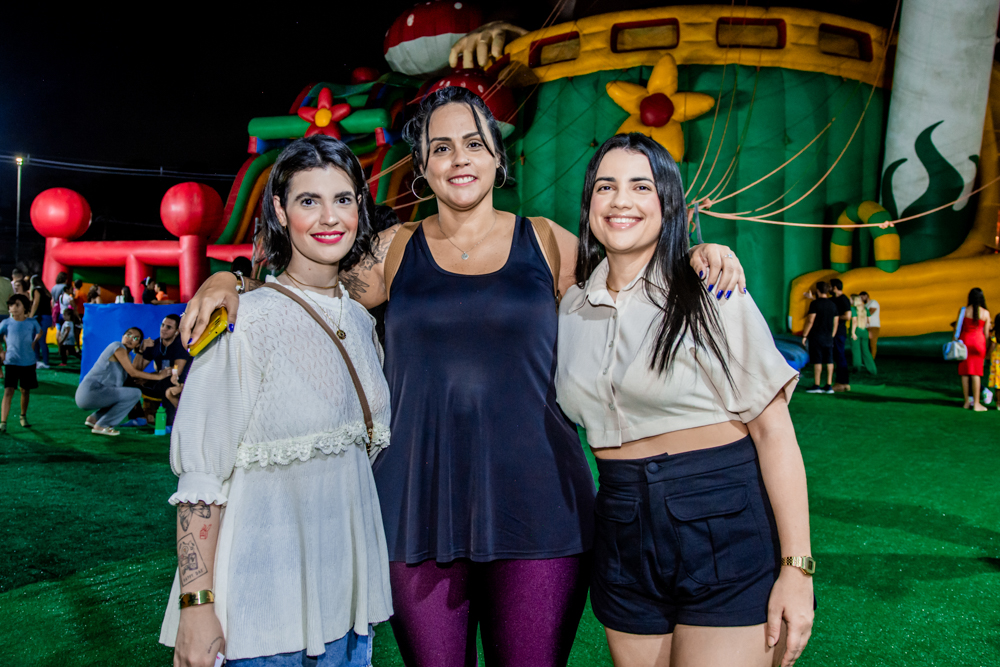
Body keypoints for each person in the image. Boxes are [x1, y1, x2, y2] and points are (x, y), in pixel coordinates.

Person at [179, 87, 746, 667]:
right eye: (442, 147)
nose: (459, 159)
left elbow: (634, 272)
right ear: (422, 167)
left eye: (474, 144)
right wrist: (232, 281)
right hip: (414, 510)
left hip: (541, 509)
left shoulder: (548, 242)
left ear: (499, 158)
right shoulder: (392, 249)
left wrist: (698, 256)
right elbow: (307, 287)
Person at [556, 133, 812, 667]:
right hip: (621, 522)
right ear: (589, 202)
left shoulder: (710, 289)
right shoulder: (571, 308)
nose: (620, 200)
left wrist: (797, 568)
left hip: (722, 516)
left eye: (640, 186)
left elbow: (774, 431)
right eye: (605, 186)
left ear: (668, 202)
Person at [160, 135, 392, 666]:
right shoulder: (243, 321)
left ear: (360, 207)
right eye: (309, 200)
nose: (329, 217)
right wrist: (197, 607)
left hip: (349, 608)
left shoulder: (361, 323)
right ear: (282, 213)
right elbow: (201, 478)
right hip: (260, 615)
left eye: (342, 199)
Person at [75, 327, 170, 435]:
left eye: (135, 338)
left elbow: (133, 375)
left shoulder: (128, 356)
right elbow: (133, 372)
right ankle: (103, 425)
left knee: (125, 392)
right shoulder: (117, 347)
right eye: (128, 335)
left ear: (138, 344)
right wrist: (159, 376)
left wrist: (141, 351)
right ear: (122, 337)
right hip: (90, 392)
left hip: (97, 393)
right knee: (135, 393)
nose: (130, 339)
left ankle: (94, 419)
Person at [131, 314, 192, 426]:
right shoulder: (154, 344)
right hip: (159, 381)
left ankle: (169, 423)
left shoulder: (181, 345)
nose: (163, 329)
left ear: (177, 331)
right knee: (131, 381)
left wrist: (157, 376)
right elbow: (136, 370)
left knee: (167, 383)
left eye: (168, 327)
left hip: (178, 383)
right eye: (162, 325)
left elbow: (177, 372)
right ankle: (138, 418)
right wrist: (141, 351)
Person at [0, 294, 42, 432]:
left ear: (25, 307)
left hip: (28, 362)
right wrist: (1, 351)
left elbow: (40, 331)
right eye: (11, 305)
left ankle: (23, 415)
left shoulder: (31, 322)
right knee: (8, 391)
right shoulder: (6, 323)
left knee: (25, 390)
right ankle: (3, 422)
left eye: (17, 305)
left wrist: (34, 342)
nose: (14, 308)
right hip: (11, 362)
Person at [955, 288, 991, 411]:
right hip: (978, 343)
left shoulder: (963, 311)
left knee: (964, 373)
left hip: (964, 342)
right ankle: (976, 404)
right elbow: (986, 334)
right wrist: (987, 349)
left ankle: (966, 402)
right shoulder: (985, 313)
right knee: (976, 373)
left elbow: (957, 328)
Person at [801, 282, 838, 394]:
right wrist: (832, 335)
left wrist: (805, 335)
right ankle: (829, 385)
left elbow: (810, 320)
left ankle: (817, 385)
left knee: (818, 360)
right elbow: (835, 322)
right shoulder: (833, 304)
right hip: (828, 336)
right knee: (829, 360)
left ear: (817, 291)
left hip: (817, 335)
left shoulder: (815, 304)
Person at [828, 279, 851, 392]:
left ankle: (841, 383)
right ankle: (844, 383)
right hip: (834, 332)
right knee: (838, 357)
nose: (828, 289)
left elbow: (847, 316)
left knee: (840, 356)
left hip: (839, 332)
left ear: (835, 287)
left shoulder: (843, 299)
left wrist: (835, 318)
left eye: (830, 286)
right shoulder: (833, 299)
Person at [28, 275, 53, 370]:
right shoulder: (46, 291)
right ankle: (42, 361)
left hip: (40, 317)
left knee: (38, 339)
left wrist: (30, 316)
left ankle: (42, 361)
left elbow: (36, 303)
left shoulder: (37, 290)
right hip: (47, 317)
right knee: (41, 340)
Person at [850, 294, 876, 375]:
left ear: (854, 300)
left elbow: (854, 321)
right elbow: (869, 321)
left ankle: (857, 368)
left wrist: (853, 332)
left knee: (856, 350)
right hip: (864, 331)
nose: (850, 301)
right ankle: (872, 369)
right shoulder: (865, 309)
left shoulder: (853, 309)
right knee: (866, 351)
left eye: (850, 299)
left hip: (857, 331)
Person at [860, 291, 880, 358]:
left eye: (862, 297)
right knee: (865, 344)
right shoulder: (864, 305)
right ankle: (866, 359)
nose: (861, 299)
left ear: (866, 296)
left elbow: (870, 312)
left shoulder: (873, 302)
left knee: (872, 344)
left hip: (873, 326)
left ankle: (871, 359)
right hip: (865, 327)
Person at [987, 313, 1000, 410]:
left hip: (996, 361)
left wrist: (987, 357)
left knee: (998, 383)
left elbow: (992, 346)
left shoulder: (995, 333)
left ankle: (999, 403)